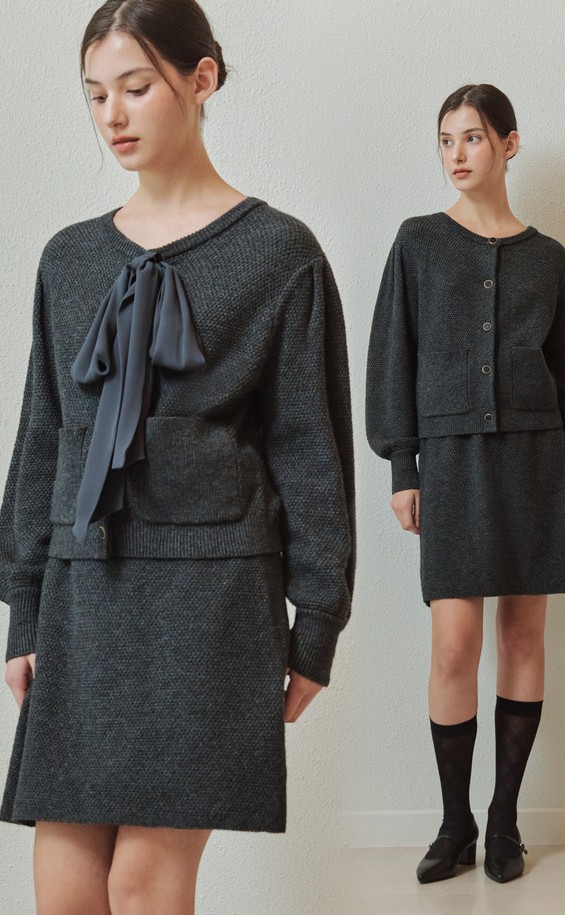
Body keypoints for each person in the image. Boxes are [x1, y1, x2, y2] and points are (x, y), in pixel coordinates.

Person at [0, 2, 355, 912]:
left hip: (212, 602)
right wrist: (24, 610)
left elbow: (310, 452)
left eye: (136, 87)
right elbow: (44, 437)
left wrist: (316, 625)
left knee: (144, 882)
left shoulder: (280, 254)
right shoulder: (69, 259)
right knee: (64, 886)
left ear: (202, 80)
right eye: (95, 95)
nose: (112, 115)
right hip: (84, 599)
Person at [365, 83, 565, 885]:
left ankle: (504, 820)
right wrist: (403, 465)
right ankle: (454, 821)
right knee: (454, 643)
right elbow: (392, 357)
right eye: (445, 140)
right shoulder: (418, 242)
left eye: (471, 137)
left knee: (525, 638)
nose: (456, 154)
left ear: (509, 143)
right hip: (453, 461)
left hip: (537, 464)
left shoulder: (548, 259)